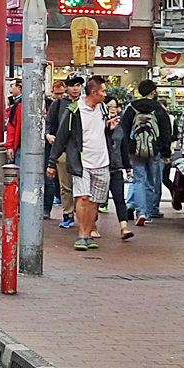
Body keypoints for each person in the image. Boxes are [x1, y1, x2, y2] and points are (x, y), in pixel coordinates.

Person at [50, 72, 111, 251]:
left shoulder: (103, 109)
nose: (105, 94)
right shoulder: (74, 110)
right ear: (93, 92)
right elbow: (61, 136)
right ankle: (82, 234)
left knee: (94, 201)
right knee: (83, 197)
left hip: (102, 161)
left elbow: (104, 133)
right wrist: (51, 162)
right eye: (103, 91)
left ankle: (89, 232)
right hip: (82, 162)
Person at [118, 78, 173, 224]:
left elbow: (123, 130)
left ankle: (140, 211)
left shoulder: (131, 107)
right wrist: (166, 153)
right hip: (154, 150)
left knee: (138, 180)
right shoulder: (159, 108)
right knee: (151, 182)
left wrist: (127, 150)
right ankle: (147, 213)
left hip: (135, 150)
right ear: (153, 92)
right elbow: (166, 132)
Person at [45, 73, 83, 229]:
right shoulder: (58, 104)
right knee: (65, 185)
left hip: (83, 151)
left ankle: (84, 216)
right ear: (66, 87)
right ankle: (68, 214)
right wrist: (48, 135)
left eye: (78, 85)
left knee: (82, 186)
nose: (75, 88)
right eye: (72, 85)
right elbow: (49, 123)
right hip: (63, 150)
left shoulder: (86, 104)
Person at [103, 96, 134, 242]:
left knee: (119, 199)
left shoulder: (120, 126)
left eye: (114, 106)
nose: (112, 109)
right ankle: (91, 227)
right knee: (95, 200)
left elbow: (124, 147)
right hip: (100, 167)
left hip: (115, 168)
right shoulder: (98, 124)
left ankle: (124, 227)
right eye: (109, 106)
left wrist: (127, 167)